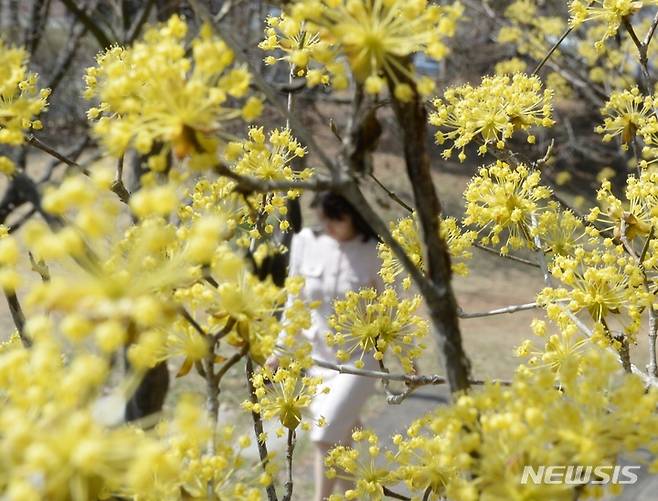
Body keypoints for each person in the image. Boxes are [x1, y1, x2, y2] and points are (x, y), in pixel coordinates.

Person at [268, 191, 383, 501]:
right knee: (340, 443)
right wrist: (280, 350)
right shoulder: (306, 242)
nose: (328, 225)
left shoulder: (374, 252)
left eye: (336, 219)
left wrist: (412, 367)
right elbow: (295, 302)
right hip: (319, 361)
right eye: (323, 218)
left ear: (355, 215)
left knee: (323, 436)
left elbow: (393, 312)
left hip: (360, 363)